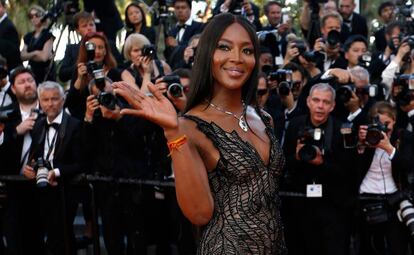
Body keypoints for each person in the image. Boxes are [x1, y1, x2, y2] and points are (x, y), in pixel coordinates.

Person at [114, 13, 287, 254]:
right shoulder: (190, 125)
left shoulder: (264, 118)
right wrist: (173, 132)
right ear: (207, 54)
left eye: (247, 50)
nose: (236, 58)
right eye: (224, 47)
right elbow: (199, 212)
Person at [282, 83, 354, 255]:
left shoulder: (342, 129)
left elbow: (349, 172)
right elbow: (283, 163)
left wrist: (322, 163)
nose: (320, 106)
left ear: (333, 106)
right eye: (316, 100)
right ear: (308, 101)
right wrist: (298, 157)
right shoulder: (295, 124)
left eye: (326, 102)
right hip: (299, 204)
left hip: (332, 207)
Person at [23, 81, 82, 255]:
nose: (50, 104)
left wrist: (55, 172)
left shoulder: (75, 125)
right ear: (40, 102)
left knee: (62, 236)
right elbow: (35, 155)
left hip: (65, 190)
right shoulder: (38, 125)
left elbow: (82, 163)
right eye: (46, 100)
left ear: (63, 100)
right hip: (42, 189)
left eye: (55, 99)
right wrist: (30, 168)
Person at [356, 101, 412, 255]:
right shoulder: (366, 137)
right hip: (365, 198)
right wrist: (361, 145)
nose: (383, 128)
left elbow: (409, 165)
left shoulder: (404, 137)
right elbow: (351, 167)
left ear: (394, 120)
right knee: (367, 248)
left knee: (396, 247)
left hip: (393, 200)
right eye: (378, 124)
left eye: (387, 123)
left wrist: (389, 148)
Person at [0, 67, 45, 255]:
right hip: (13, 189)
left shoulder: (50, 107)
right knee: (15, 241)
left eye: (30, 80)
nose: (27, 84)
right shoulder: (5, 115)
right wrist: (16, 132)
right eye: (21, 82)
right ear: (13, 89)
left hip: (43, 187)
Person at [65, 32, 120, 120]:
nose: (97, 51)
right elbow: (70, 103)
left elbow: (121, 101)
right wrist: (79, 78)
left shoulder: (114, 72)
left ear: (105, 51)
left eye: (100, 47)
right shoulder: (79, 71)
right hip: (86, 121)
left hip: (110, 119)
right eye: (93, 47)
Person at [58, 11, 123, 83]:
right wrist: (82, 66)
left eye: (91, 25)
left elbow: (121, 67)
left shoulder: (108, 44)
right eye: (84, 26)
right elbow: (62, 75)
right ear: (77, 30)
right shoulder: (72, 48)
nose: (89, 28)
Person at [21, 5, 55, 84]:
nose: (34, 18)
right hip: (32, 74)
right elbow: (22, 56)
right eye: (31, 16)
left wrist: (29, 55)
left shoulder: (48, 35)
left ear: (43, 16)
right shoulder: (28, 36)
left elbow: (44, 57)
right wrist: (36, 53)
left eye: (37, 15)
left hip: (46, 75)